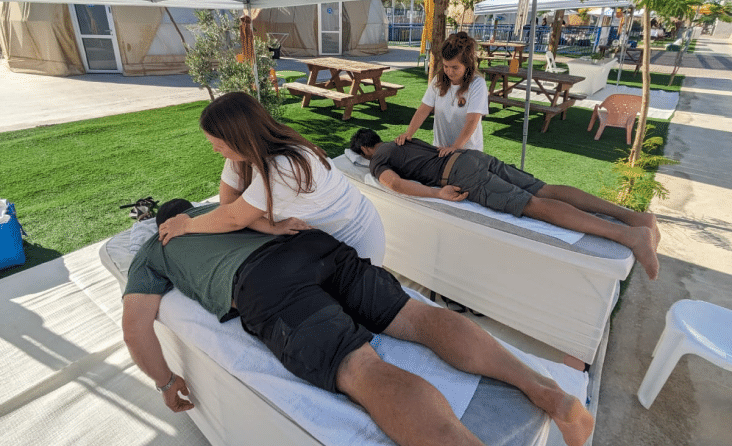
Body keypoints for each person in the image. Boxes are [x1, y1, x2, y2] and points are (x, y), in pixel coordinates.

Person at [123, 200, 594, 446]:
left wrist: (165, 381)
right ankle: (548, 390)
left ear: (163, 222)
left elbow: (137, 326)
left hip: (266, 284)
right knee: (419, 316)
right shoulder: (225, 210)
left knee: (360, 369)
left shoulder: (154, 249)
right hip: (314, 249)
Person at [349, 128, 661, 280]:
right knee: (545, 189)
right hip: (471, 156)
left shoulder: (379, 157)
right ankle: (634, 218)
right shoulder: (402, 141)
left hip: (459, 174)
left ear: (364, 149)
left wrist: (437, 194)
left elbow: (396, 185)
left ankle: (628, 236)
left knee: (533, 205)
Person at [157, 91, 385, 266]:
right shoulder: (242, 156)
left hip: (355, 236)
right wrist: (269, 227)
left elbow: (234, 217)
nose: (215, 150)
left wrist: (186, 225)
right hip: (318, 241)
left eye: (219, 144)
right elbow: (229, 205)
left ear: (239, 138)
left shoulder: (286, 167)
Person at [396, 32, 488, 156]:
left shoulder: (478, 84)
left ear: (467, 64)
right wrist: (409, 133)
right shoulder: (438, 81)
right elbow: (423, 109)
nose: (449, 71)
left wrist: (455, 147)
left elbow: (472, 120)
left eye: (455, 67)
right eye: (446, 66)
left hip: (468, 153)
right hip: (440, 150)